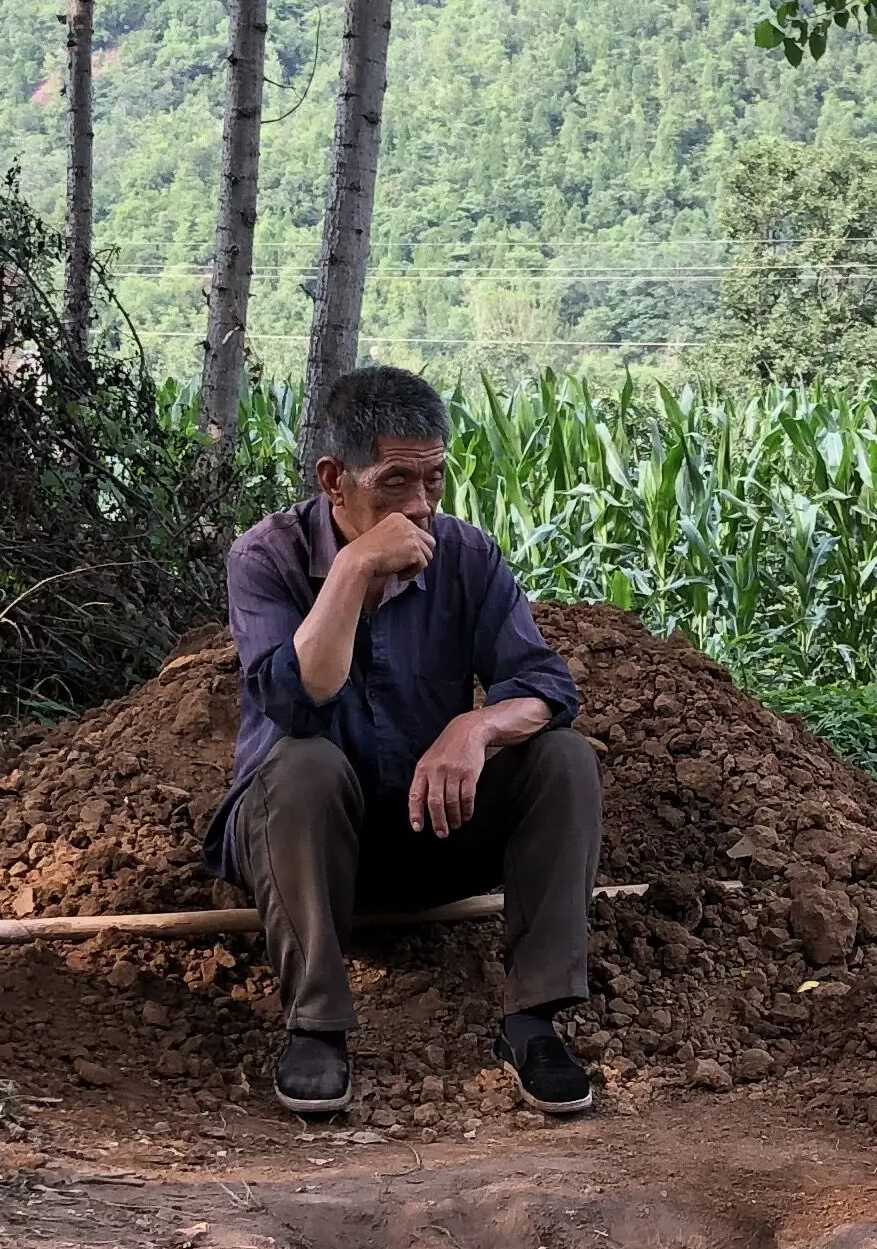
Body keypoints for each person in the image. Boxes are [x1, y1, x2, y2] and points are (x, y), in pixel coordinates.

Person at [213, 363, 605, 1120]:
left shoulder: (467, 557)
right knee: (304, 764)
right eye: (396, 482)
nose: (421, 507)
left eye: (435, 480)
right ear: (334, 478)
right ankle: (316, 1028)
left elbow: (549, 686)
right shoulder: (265, 559)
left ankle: (533, 1021)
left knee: (565, 758)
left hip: (431, 832)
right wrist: (355, 569)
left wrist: (476, 725)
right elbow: (299, 702)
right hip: (300, 849)